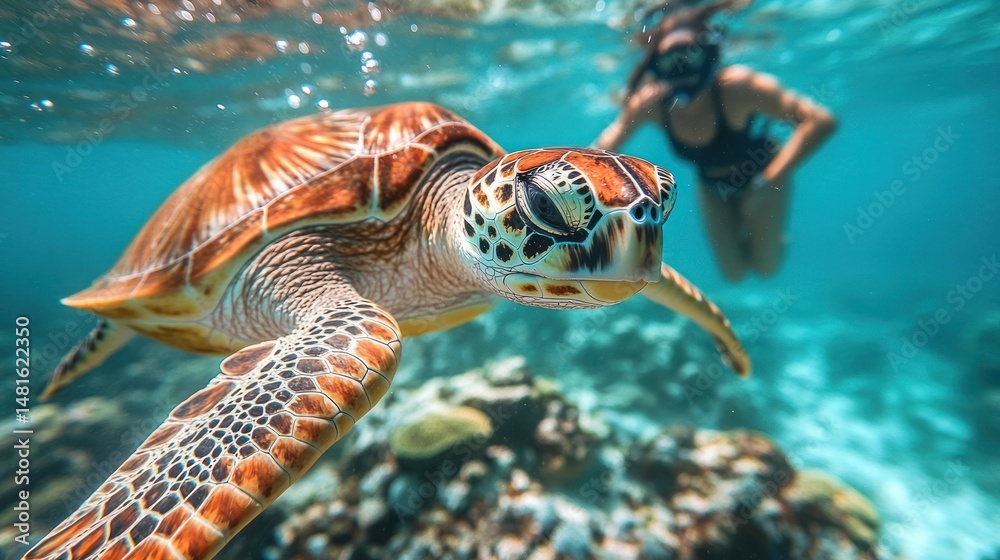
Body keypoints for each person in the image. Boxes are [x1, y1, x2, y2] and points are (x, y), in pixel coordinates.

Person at [594, 0, 836, 281]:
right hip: (711, 184)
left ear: (711, 53)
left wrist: (770, 179)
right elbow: (603, 148)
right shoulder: (652, 102)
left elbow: (820, 120)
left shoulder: (738, 87)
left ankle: (774, 238)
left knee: (766, 267)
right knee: (733, 274)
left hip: (764, 173)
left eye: (691, 56)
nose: (682, 69)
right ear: (655, 67)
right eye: (670, 62)